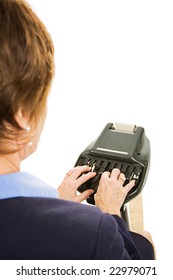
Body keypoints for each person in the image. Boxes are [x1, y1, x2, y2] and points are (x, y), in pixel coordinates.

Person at [0, 0, 154, 260]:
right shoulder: (94, 235)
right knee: (145, 241)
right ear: (21, 117)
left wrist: (53, 205)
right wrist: (110, 216)